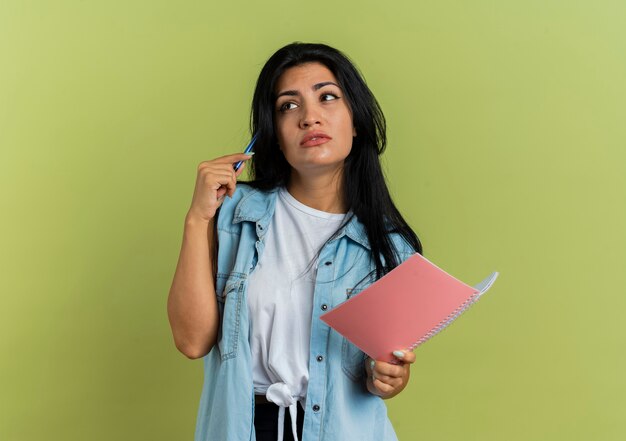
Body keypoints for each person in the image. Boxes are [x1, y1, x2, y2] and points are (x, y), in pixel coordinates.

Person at [167, 42, 423, 441]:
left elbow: (379, 377)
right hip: (244, 427)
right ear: (274, 133)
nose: (309, 117)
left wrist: (390, 377)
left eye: (327, 97)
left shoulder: (390, 247)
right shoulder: (234, 212)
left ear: (355, 120)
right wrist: (197, 218)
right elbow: (191, 340)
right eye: (289, 105)